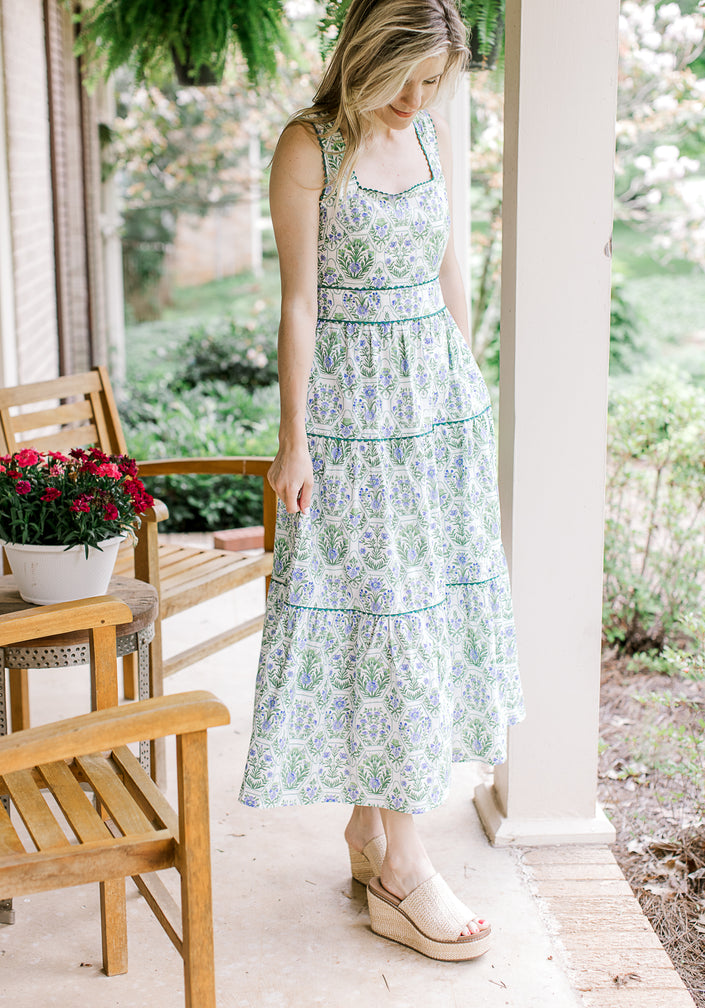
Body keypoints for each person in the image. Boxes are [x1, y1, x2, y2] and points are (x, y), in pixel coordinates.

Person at [239, 0, 524, 961]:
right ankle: (404, 865)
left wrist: (466, 389)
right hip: (352, 418)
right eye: (403, 77)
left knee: (421, 616)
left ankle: (370, 833)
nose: (416, 97)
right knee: (383, 622)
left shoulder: (432, 138)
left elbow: (450, 270)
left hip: (435, 412)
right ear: (364, 54)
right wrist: (294, 441)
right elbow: (299, 303)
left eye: (433, 82)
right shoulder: (309, 147)